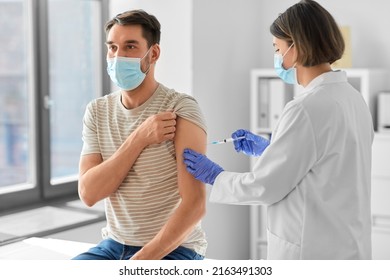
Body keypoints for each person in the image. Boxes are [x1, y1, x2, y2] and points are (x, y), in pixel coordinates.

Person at [183, 0, 374, 260]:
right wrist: (272, 151)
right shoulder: (353, 98)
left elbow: (265, 186)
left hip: (312, 254)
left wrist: (216, 176)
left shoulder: (306, 108)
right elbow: (324, 167)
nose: (276, 57)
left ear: (295, 47)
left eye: (277, 48)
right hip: (349, 246)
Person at [73, 10, 208, 260]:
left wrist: (141, 262)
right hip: (113, 245)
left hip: (174, 249)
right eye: (112, 47)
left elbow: (195, 204)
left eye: (130, 46)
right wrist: (139, 138)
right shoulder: (97, 111)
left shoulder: (180, 109)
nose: (117, 57)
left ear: (153, 53)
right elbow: (89, 193)